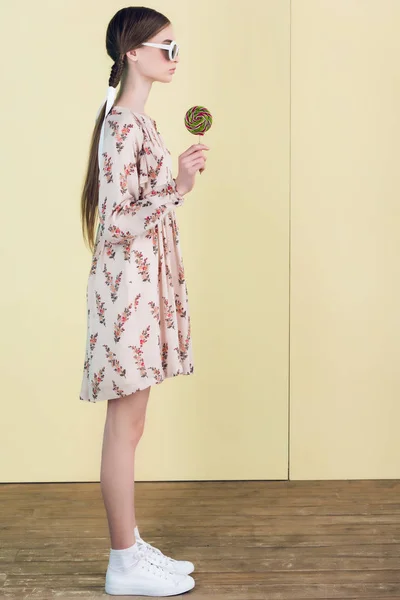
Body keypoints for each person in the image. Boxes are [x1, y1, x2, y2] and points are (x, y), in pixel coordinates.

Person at [79, 6, 209, 596]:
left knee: (133, 424)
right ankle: (123, 562)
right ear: (132, 52)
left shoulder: (141, 124)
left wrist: (173, 180)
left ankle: (130, 544)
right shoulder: (123, 126)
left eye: (176, 46)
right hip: (127, 287)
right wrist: (177, 189)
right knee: (124, 426)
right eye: (165, 46)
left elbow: (139, 205)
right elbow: (115, 223)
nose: (173, 56)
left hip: (142, 283)